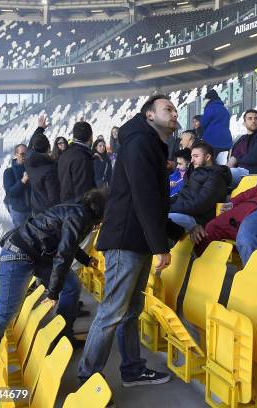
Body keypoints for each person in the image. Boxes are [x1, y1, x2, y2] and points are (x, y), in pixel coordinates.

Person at [78, 95, 185, 387]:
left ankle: (132, 369)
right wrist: (161, 245)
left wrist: (176, 232)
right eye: (167, 109)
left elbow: (152, 200)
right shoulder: (140, 144)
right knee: (113, 310)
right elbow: (144, 198)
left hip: (135, 240)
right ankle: (88, 378)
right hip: (126, 241)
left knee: (130, 310)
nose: (174, 113)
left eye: (175, 109)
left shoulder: (149, 144)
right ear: (150, 115)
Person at [0, 189, 105, 388]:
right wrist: (53, 292)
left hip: (34, 254)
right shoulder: (80, 216)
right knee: (5, 311)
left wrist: (86, 259)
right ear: (100, 211)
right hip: (19, 254)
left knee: (72, 285)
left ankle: (63, 335)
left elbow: (68, 243)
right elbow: (64, 254)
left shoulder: (76, 211)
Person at [169, 141, 231, 232]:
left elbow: (199, 205)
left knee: (158, 219)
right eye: (192, 156)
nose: (192, 160)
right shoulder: (193, 173)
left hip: (196, 219)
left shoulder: (215, 177)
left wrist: (169, 208)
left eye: (196, 156)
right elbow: (180, 194)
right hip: (184, 212)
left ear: (207, 157)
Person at [227, 109, 257, 188]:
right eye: (250, 118)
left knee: (219, 175)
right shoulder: (241, 139)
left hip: (254, 173)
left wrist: (236, 159)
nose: (253, 121)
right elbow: (232, 156)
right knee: (213, 174)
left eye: (256, 118)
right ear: (244, 123)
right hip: (239, 171)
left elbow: (253, 159)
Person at [58, 121, 95, 203]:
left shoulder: (65, 154)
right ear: (91, 136)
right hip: (78, 209)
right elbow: (84, 191)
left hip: (66, 205)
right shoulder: (82, 158)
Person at [26, 131, 61, 216]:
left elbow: (29, 148)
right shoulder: (49, 169)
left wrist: (40, 128)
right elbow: (53, 197)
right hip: (48, 212)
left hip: (35, 207)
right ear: (49, 147)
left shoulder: (28, 163)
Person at [3, 144, 31, 227]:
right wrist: (23, 181)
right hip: (19, 211)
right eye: (22, 154)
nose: (25, 156)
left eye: (27, 154)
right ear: (15, 154)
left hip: (34, 209)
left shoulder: (32, 168)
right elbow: (11, 192)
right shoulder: (8, 172)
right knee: (21, 237)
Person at [201, 90, 232, 164]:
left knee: (211, 164)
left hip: (212, 142)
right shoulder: (225, 109)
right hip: (226, 141)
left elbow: (203, 123)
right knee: (223, 163)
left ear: (209, 99)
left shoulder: (210, 108)